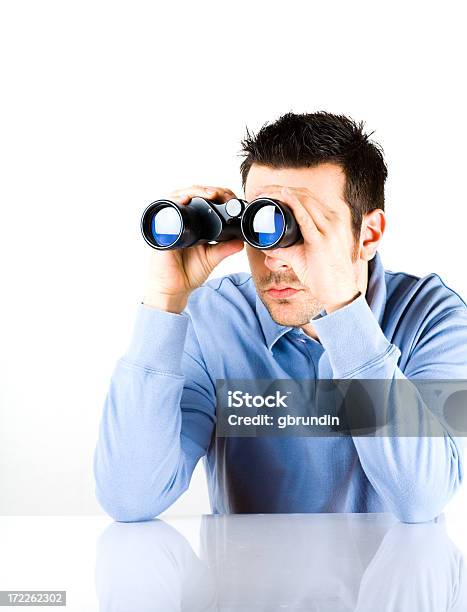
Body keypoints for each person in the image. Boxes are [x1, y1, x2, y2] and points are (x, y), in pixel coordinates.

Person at [94, 111, 467, 523]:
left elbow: (420, 499)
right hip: (247, 585)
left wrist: (342, 308)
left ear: (369, 233)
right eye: (263, 222)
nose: (276, 257)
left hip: (390, 583)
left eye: (307, 227)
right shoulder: (214, 319)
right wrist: (165, 301)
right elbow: (131, 498)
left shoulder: (434, 318)